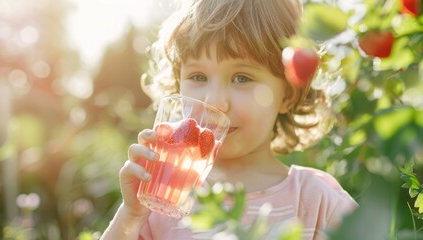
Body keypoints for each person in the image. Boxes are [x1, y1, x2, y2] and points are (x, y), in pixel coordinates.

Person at [101, 0, 358, 239]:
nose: (214, 102)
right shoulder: (161, 200)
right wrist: (131, 216)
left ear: (288, 94)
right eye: (198, 76)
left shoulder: (317, 202)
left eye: (242, 78)